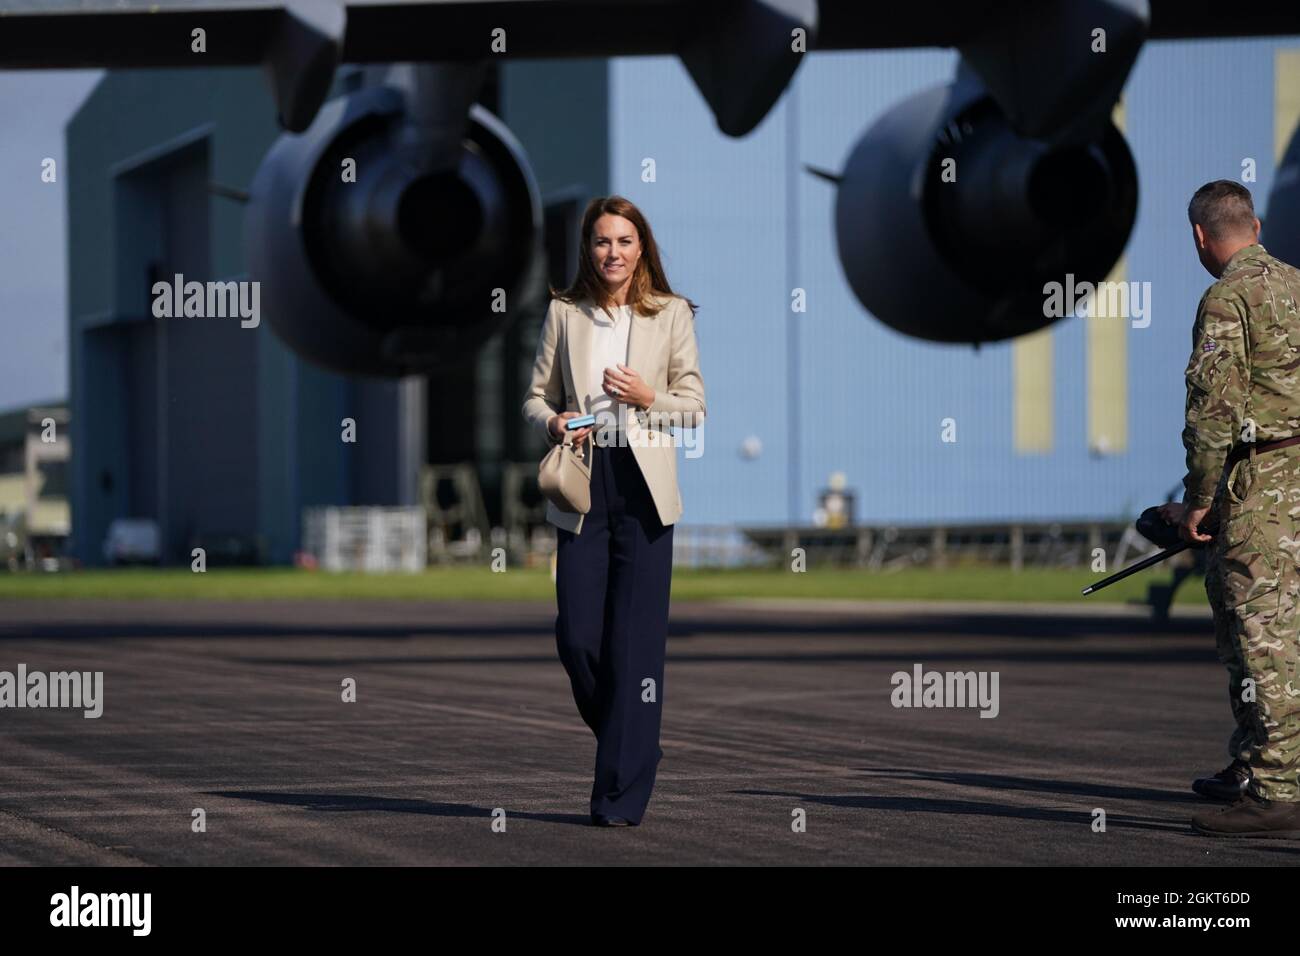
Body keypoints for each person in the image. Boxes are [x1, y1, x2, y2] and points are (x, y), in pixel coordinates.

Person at [521, 196, 705, 827]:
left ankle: (619, 798)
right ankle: (633, 738)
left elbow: (694, 405)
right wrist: (554, 420)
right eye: (602, 242)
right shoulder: (563, 313)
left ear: (642, 248)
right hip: (585, 480)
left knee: (636, 648)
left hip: (646, 489)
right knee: (576, 636)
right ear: (588, 249)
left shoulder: (671, 313)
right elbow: (534, 397)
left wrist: (649, 396)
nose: (613, 253)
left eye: (625, 241)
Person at [1169, 180, 1300, 837]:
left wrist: (1198, 499)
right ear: (1253, 224)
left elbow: (1214, 410)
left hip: (1265, 481)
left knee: (1258, 632)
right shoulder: (1299, 285)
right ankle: (1256, 764)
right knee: (1283, 627)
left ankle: (1275, 790)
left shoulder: (1228, 296)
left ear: (1201, 236)